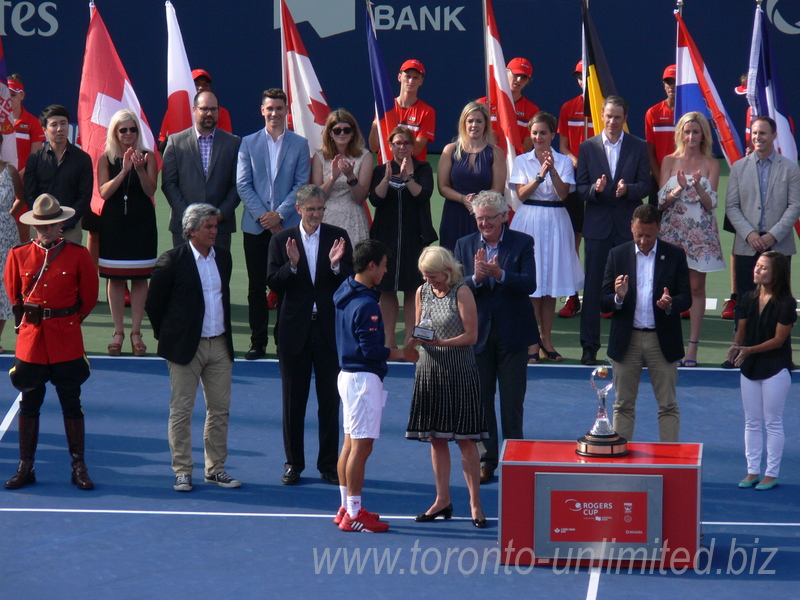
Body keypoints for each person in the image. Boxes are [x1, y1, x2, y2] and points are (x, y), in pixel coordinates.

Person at [4, 194, 99, 490]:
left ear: (61, 226)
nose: (47, 231)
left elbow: (89, 297)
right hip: (32, 342)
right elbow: (14, 296)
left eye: (52, 225)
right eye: (42, 226)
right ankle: (26, 466)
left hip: (66, 339)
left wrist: (66, 320)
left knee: (71, 403)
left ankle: (79, 466)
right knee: (29, 403)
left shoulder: (78, 254)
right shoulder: (18, 255)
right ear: (35, 227)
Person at [145, 203, 240, 492]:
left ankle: (215, 469)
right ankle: (183, 470)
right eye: (208, 227)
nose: (215, 231)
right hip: (185, 348)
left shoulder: (223, 257)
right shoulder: (171, 261)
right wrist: (171, 338)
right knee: (182, 410)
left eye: (215, 226)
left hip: (220, 345)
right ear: (191, 231)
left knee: (220, 410)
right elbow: (154, 305)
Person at [266, 184, 353, 486]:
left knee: (329, 401)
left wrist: (334, 264)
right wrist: (292, 265)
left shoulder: (337, 237)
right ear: (299, 209)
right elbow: (274, 283)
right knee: (293, 402)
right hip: (294, 333)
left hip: (329, 332)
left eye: (321, 209)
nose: (317, 214)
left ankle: (328, 464)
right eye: (311, 209)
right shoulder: (281, 240)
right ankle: (294, 464)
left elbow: (350, 282)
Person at [454, 190, 539, 484]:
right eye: (480, 218)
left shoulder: (523, 242)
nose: (485, 223)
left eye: (490, 218)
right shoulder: (463, 245)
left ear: (504, 216)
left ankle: (516, 460)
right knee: (482, 402)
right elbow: (455, 287)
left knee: (513, 402)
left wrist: (501, 274)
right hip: (478, 335)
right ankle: (487, 460)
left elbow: (530, 283)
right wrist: (476, 279)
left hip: (513, 335)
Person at [334, 239, 418, 532]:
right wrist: (403, 355)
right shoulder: (367, 305)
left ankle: (346, 506)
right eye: (383, 265)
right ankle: (354, 513)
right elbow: (372, 351)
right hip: (363, 381)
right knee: (361, 447)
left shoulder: (345, 291)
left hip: (348, 377)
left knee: (349, 444)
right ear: (371, 266)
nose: (385, 271)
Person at [406, 246, 487, 528]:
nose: (430, 281)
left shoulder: (462, 291)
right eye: (426, 276)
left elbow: (472, 335)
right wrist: (415, 342)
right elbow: (419, 326)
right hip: (429, 371)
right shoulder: (422, 291)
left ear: (448, 271)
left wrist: (442, 343)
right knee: (436, 438)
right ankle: (442, 500)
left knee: (466, 440)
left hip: (460, 372)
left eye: (434, 276)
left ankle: (475, 504)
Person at [600, 204, 691, 443]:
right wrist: (618, 296)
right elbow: (603, 301)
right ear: (631, 227)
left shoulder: (674, 254)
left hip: (661, 341)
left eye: (649, 235)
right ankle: (620, 458)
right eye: (638, 234)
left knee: (668, 404)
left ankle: (671, 461)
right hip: (626, 340)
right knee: (623, 405)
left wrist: (670, 303)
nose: (643, 240)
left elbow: (687, 297)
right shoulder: (617, 255)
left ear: (659, 229)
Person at [576, 95, 651, 365]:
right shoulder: (587, 147)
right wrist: (594, 190)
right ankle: (589, 347)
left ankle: (629, 346)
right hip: (597, 229)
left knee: (628, 288)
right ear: (602, 116)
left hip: (626, 229)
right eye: (608, 116)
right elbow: (580, 187)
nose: (612, 121)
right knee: (593, 288)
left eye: (617, 117)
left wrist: (628, 190)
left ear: (625, 118)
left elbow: (646, 185)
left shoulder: (639, 147)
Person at [237, 88, 310, 360]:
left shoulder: (300, 144)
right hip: (256, 227)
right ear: (262, 110)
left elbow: (301, 184)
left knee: (285, 285)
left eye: (279, 108)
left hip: (287, 226)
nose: (274, 113)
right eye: (270, 108)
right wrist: (265, 217)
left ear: (286, 110)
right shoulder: (248, 143)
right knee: (256, 286)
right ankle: (258, 342)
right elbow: (243, 184)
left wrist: (279, 214)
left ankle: (283, 342)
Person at [510, 112, 584, 362]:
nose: (538, 137)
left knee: (550, 286)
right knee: (532, 286)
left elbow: (564, 194)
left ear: (553, 135)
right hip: (529, 220)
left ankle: (547, 341)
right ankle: (531, 343)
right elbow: (520, 195)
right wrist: (540, 175)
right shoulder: (521, 160)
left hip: (556, 222)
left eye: (543, 133)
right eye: (534, 133)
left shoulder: (563, 161)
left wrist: (552, 170)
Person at [657, 112, 725, 366]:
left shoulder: (712, 164)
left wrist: (697, 187)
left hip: (701, 236)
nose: (691, 136)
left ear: (703, 135)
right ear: (680, 134)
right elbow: (661, 203)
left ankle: (692, 348)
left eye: (696, 132)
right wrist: (678, 188)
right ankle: (668, 344)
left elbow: (711, 204)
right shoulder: (669, 161)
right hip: (672, 233)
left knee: (696, 289)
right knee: (668, 291)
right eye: (687, 131)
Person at [728, 251, 795, 491]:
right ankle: (752, 471)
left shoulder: (787, 303)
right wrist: (736, 346)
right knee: (752, 421)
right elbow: (742, 330)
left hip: (776, 368)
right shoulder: (746, 298)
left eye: (764, 268)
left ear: (776, 273)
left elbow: (778, 341)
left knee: (772, 422)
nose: (757, 270)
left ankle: (771, 473)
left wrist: (748, 350)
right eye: (757, 266)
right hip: (750, 368)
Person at [96, 109, 159, 357]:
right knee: (116, 278)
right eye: (124, 130)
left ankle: (136, 332)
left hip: (141, 223)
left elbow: (150, 189)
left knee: (140, 278)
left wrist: (140, 169)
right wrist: (123, 170)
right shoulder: (105, 159)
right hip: (114, 224)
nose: (129, 134)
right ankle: (118, 332)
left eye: (133, 129)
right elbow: (104, 193)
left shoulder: (149, 156)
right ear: (115, 132)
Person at [369, 125, 436, 349]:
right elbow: (375, 200)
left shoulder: (423, 168)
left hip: (413, 236)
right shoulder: (381, 170)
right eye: (397, 143)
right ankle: (388, 339)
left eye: (406, 143)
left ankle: (410, 337)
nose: (402, 147)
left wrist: (408, 179)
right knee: (386, 288)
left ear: (412, 146)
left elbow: (423, 196)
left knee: (411, 288)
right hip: (385, 237)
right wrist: (387, 179)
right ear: (390, 146)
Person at [725, 115, 800, 308]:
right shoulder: (739, 168)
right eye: (755, 133)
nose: (758, 137)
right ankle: (742, 338)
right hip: (747, 246)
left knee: (778, 302)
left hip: (779, 246)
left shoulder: (791, 168)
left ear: (774, 135)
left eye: (763, 133)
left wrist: (772, 236)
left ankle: (776, 339)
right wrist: (750, 234)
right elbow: (732, 206)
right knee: (746, 302)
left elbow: (795, 206)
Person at [161, 90, 241, 249]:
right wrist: (190, 217)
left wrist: (219, 215)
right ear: (194, 110)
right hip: (185, 227)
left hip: (219, 228)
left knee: (218, 272)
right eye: (204, 109)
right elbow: (169, 184)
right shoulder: (175, 142)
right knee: (186, 273)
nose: (209, 113)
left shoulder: (233, 143)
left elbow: (238, 184)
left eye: (213, 109)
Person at [437, 102, 506, 251]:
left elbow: (498, 189)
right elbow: (443, 187)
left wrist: (477, 203)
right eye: (470, 121)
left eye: (479, 121)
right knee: (452, 261)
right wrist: (463, 199)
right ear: (463, 123)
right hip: (454, 214)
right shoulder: (450, 150)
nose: (474, 125)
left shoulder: (496, 152)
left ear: (486, 124)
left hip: (484, 216)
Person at [557, 60, 595, 319]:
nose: (582, 80)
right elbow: (562, 145)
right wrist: (574, 160)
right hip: (574, 183)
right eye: (579, 76)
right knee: (574, 240)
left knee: (599, 241)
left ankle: (601, 295)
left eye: (586, 76)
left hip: (599, 184)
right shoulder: (568, 108)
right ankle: (572, 297)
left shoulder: (605, 107)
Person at [24, 105, 93, 245]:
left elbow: (84, 196)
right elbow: (30, 195)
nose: (59, 129)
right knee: (39, 266)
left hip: (69, 229)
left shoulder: (82, 159)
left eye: (63, 123)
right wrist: (45, 224)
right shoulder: (35, 159)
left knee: (69, 267)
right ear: (44, 130)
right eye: (54, 125)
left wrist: (64, 223)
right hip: (40, 227)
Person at [311, 109, 371, 245]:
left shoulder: (364, 156)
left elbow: (360, 198)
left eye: (347, 130)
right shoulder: (320, 157)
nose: (342, 133)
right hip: (326, 217)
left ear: (353, 133)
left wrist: (351, 177)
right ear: (330, 133)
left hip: (353, 218)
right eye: (337, 130)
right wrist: (333, 178)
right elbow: (318, 197)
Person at [369, 59, 435, 161]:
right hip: (386, 169)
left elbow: (416, 150)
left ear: (421, 81)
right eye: (408, 76)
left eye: (416, 78)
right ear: (399, 77)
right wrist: (374, 126)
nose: (411, 81)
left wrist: (394, 140)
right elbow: (374, 148)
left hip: (414, 171)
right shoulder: (385, 107)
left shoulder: (427, 111)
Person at [158, 68, 233, 151]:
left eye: (206, 85)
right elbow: (161, 148)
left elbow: (226, 143)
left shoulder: (221, 112)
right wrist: (169, 139)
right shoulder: (173, 112)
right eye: (196, 84)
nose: (201, 88)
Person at [478, 57, 540, 153]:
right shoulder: (482, 104)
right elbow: (472, 137)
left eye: (524, 77)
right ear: (505, 72)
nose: (519, 80)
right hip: (485, 160)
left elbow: (527, 147)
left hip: (514, 163)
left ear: (528, 80)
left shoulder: (532, 110)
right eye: (516, 74)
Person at [0, 136, 24, 354]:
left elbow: (20, 197)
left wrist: (7, 217)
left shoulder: (10, 171)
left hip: (5, 236)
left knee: (3, 286)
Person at [645, 65, 676, 203]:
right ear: (664, 85)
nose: (672, 86)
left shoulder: (692, 113)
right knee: (655, 222)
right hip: (659, 179)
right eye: (668, 82)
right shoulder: (653, 113)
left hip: (686, 178)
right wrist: (662, 181)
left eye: (676, 81)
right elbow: (650, 153)